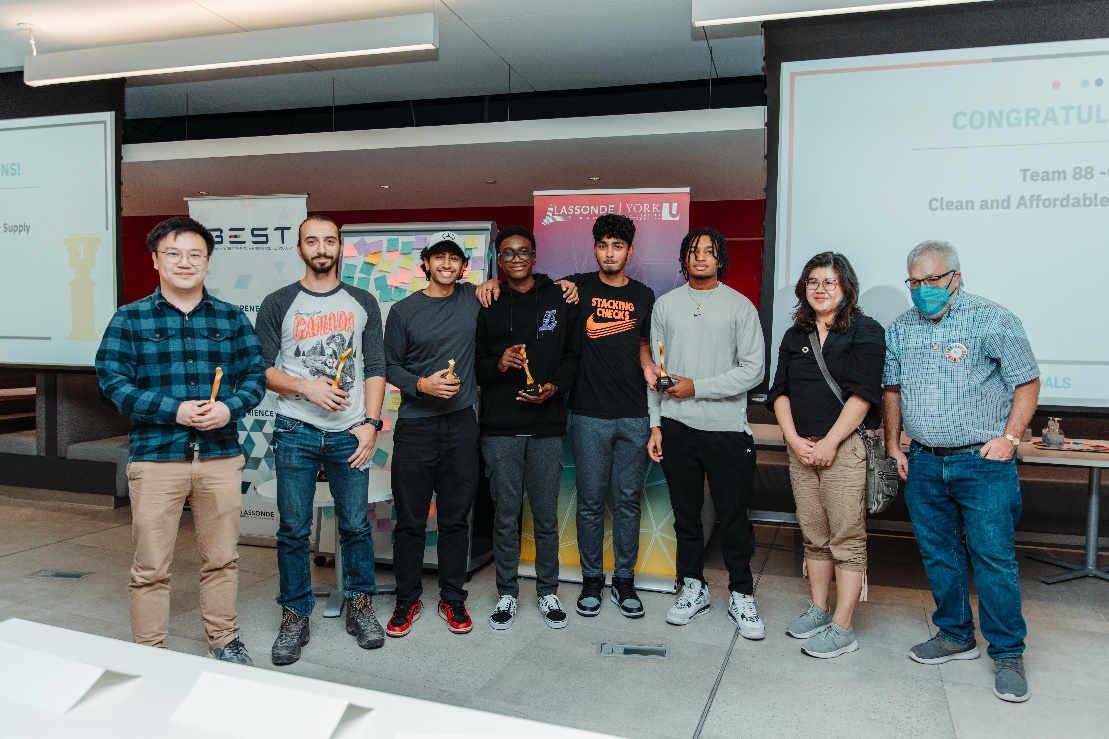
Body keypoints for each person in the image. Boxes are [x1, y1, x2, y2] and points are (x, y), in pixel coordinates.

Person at [384, 232, 578, 638]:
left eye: (454, 259)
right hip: (417, 425)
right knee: (411, 522)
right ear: (425, 264)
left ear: (463, 267)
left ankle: (454, 598)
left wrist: (565, 284)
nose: (446, 265)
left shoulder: (477, 299)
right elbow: (390, 366)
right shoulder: (404, 310)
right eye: (439, 258)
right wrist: (421, 385)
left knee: (457, 520)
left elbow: (524, 300)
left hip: (461, 425)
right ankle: (407, 600)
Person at [96, 216, 266, 665]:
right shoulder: (129, 319)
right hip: (156, 458)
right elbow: (112, 382)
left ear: (208, 262)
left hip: (219, 456)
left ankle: (224, 639)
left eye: (195, 254)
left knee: (222, 559)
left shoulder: (231, 318)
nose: (184, 262)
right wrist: (174, 410)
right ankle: (150, 653)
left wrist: (229, 407)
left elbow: (254, 377)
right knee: (151, 565)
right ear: (155, 260)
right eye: (173, 253)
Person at [883, 240, 1039, 703]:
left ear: (955, 276)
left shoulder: (994, 318)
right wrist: (894, 444)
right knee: (939, 554)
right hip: (926, 460)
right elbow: (891, 390)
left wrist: (1009, 439)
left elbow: (1026, 381)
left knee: (993, 559)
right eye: (915, 282)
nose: (923, 289)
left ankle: (1008, 654)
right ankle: (954, 635)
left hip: (982, 462)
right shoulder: (900, 329)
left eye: (932, 280)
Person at [257, 214, 387, 665]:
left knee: (354, 525)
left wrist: (371, 422)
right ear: (299, 249)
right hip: (295, 429)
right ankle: (295, 614)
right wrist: (305, 386)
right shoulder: (279, 302)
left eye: (329, 241)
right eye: (311, 241)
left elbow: (376, 367)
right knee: (293, 529)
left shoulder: (362, 300)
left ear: (339, 248)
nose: (321, 248)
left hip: (350, 431)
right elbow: (261, 369)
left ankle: (361, 606)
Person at [647, 227, 765, 639]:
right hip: (677, 426)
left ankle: (741, 592)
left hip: (726, 429)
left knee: (733, 516)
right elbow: (659, 376)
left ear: (721, 259)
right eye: (694, 251)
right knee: (685, 515)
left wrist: (698, 386)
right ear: (684, 259)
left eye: (709, 251)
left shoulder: (740, 307)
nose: (701, 257)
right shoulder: (666, 306)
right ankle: (692, 586)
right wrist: (655, 424)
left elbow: (754, 370)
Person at [768, 252, 885, 658]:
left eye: (829, 282)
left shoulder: (866, 331)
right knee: (814, 535)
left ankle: (843, 626)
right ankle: (819, 609)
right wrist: (795, 440)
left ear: (846, 287)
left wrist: (831, 442)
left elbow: (864, 394)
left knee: (846, 539)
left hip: (845, 446)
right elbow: (778, 391)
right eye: (813, 282)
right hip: (800, 445)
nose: (820, 289)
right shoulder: (793, 335)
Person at [476, 225, 581, 630]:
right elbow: (476, 366)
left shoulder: (559, 296)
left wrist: (553, 388)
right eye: (507, 254)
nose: (515, 259)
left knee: (544, 515)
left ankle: (548, 592)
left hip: (547, 423)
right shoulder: (488, 302)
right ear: (498, 261)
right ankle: (506, 594)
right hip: (500, 427)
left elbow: (573, 355)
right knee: (505, 514)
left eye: (523, 252)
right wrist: (499, 364)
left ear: (535, 256)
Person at [563, 214, 656, 618]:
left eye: (617, 246)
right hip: (588, 414)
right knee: (588, 503)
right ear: (595, 247)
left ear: (629, 250)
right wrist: (495, 282)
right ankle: (591, 581)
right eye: (603, 245)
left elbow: (642, 342)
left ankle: (623, 582)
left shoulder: (644, 295)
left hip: (635, 415)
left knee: (628, 502)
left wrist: (649, 366)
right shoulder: (577, 286)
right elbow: (528, 290)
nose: (609, 252)